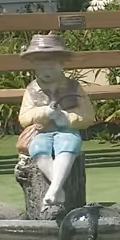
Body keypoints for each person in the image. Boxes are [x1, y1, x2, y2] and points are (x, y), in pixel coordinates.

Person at [18, 34, 95, 217]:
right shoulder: (31, 90)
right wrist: (44, 113)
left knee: (68, 144)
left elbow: (88, 116)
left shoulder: (74, 88)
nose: (46, 71)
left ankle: (53, 189)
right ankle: (57, 189)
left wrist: (65, 118)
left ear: (62, 64)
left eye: (51, 66)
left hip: (66, 130)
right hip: (42, 132)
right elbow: (24, 117)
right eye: (41, 66)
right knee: (38, 147)